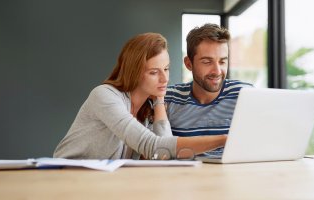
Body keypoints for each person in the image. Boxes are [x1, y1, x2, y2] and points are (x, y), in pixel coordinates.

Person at [53, 33, 227, 160]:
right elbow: (153, 147)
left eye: (166, 69)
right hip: (66, 177)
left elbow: (162, 156)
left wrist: (159, 100)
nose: (165, 78)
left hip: (102, 183)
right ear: (134, 73)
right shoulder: (104, 96)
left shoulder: (146, 109)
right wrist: (224, 139)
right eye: (154, 72)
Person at [165, 24, 252, 140]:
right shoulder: (169, 97)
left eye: (222, 62)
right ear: (188, 64)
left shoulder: (245, 94)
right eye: (207, 62)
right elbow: (157, 149)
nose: (217, 71)